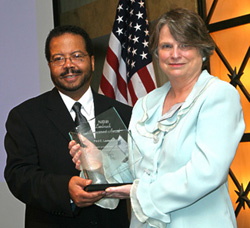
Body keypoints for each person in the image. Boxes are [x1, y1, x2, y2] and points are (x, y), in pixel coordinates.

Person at [69, 8, 245, 228]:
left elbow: (206, 173)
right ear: (156, 53)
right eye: (166, 46)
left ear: (202, 50)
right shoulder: (146, 104)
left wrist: (138, 192)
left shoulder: (219, 95)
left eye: (185, 45)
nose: (175, 54)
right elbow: (132, 170)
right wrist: (99, 164)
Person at [4, 25, 131, 228]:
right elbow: (19, 176)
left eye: (77, 56)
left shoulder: (124, 114)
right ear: (49, 65)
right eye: (58, 58)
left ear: (91, 61)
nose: (68, 65)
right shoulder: (25, 116)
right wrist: (66, 190)